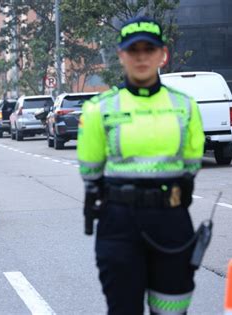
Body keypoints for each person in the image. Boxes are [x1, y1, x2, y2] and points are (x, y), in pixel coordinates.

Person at [77, 17, 205, 315]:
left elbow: (192, 164)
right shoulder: (100, 108)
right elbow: (90, 171)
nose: (142, 56)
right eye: (134, 50)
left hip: (171, 220)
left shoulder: (186, 105)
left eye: (150, 49)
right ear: (121, 55)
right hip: (119, 223)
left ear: (163, 55)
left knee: (172, 310)